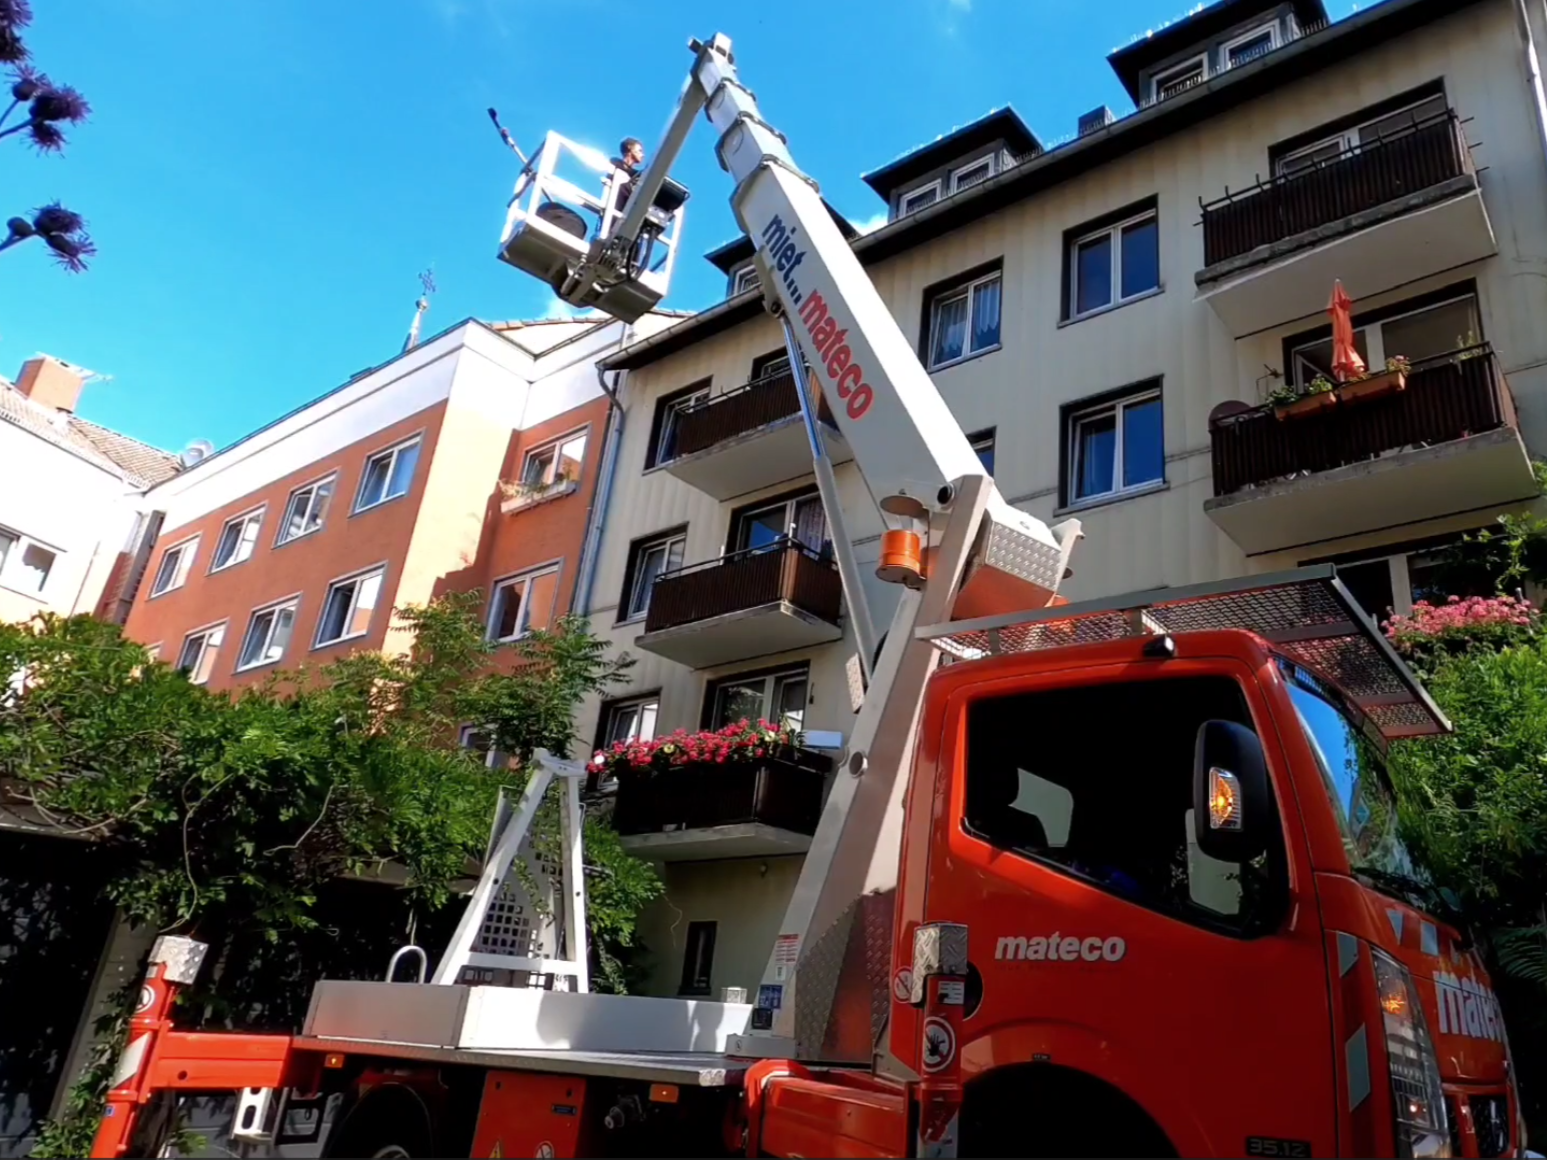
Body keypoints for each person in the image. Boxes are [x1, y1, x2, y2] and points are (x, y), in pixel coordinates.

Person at [611, 137, 645, 212]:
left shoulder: (637, 174)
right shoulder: (615, 163)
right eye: (640, 151)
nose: (642, 155)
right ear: (630, 148)